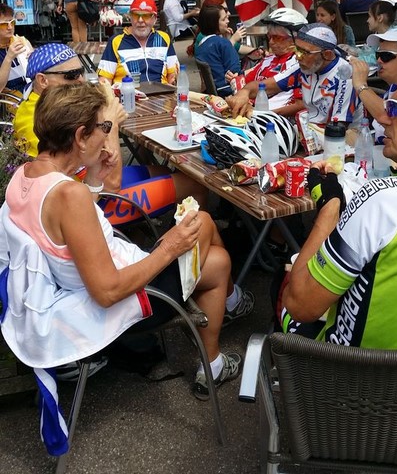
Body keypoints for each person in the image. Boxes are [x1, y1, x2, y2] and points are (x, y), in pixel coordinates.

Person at [1, 82, 249, 400]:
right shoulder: (69, 195)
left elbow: (61, 227)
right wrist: (169, 246)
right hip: (125, 303)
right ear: (80, 136)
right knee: (201, 221)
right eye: (103, 128)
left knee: (218, 263)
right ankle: (225, 321)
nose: (106, 136)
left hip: (80, 288)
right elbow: (107, 292)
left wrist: (94, 178)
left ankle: (213, 359)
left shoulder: (27, 175)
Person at [280, 74, 397, 349]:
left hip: (351, 372)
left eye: (396, 109)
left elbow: (300, 304)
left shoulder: (384, 199)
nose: (383, 119)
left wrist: (330, 207)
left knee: (283, 289)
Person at [13, 43, 210, 217]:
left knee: (163, 170)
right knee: (194, 184)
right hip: (92, 203)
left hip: (78, 188)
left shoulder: (38, 105)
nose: (81, 80)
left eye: (81, 72)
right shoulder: (42, 119)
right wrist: (110, 123)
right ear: (42, 80)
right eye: (71, 76)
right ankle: (187, 239)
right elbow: (111, 185)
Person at [229, 23, 361, 128]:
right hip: (310, 131)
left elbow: (339, 128)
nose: (298, 57)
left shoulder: (346, 75)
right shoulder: (303, 68)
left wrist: (265, 116)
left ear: (327, 54)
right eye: (297, 49)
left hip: (344, 141)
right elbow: (264, 86)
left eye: (305, 52)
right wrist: (244, 93)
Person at [351, 27, 397, 144]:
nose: (379, 61)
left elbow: (386, 118)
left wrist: (361, 85)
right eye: (378, 55)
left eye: (386, 56)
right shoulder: (395, 86)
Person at [226, 8, 306, 115]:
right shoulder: (268, 59)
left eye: (277, 38)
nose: (271, 42)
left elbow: (300, 105)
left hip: (276, 119)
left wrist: (260, 114)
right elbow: (247, 84)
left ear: (295, 39)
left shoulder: (300, 63)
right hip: (252, 114)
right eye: (269, 36)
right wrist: (236, 82)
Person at [98, 0, 179, 85]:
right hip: (127, 92)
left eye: (146, 16)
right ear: (130, 17)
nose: (140, 20)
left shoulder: (164, 39)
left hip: (162, 92)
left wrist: (174, 83)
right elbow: (104, 80)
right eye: (136, 15)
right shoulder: (115, 42)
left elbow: (172, 74)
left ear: (155, 19)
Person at [195, 5, 241, 97]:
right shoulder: (223, 44)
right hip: (228, 92)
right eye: (223, 19)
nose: (228, 21)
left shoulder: (201, 45)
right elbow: (235, 72)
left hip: (214, 93)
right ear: (213, 23)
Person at [0, 3, 33, 96]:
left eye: (12, 22)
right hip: (10, 98)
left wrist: (34, 59)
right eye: (4, 25)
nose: (10, 27)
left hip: (30, 90)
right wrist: (9, 58)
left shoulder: (22, 41)